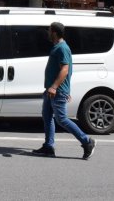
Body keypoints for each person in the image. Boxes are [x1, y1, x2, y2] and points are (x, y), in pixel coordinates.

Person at [33, 22, 96, 160]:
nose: (48, 33)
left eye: (49, 30)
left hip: (56, 90)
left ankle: (87, 141)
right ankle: (48, 147)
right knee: (47, 117)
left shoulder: (62, 48)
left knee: (62, 119)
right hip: (52, 91)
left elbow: (65, 70)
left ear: (54, 32)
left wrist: (55, 87)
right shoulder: (58, 47)